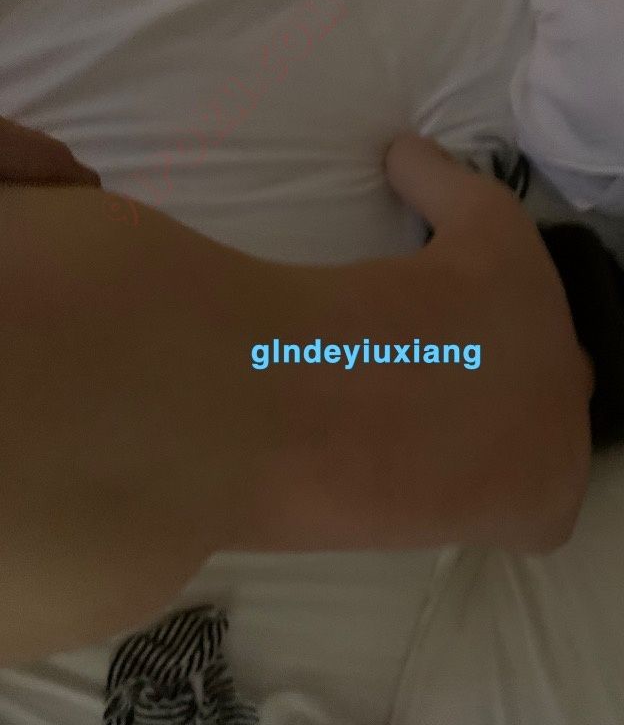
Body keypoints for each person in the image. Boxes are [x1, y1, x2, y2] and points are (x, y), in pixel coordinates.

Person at [0, 117, 593, 665]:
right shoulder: (552, 509)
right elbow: (55, 166)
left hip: (66, 548)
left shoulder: (503, 234)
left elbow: (408, 158)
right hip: (72, 528)